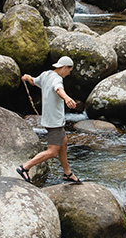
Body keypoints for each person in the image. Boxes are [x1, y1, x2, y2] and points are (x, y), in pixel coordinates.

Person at [17, 56, 81, 184]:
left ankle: (67, 173)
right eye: (69, 71)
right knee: (52, 152)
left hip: (49, 119)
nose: (68, 74)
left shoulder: (45, 75)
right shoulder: (57, 79)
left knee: (64, 142)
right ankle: (24, 168)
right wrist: (67, 98)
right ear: (64, 67)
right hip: (54, 122)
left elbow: (33, 81)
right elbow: (58, 89)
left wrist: (26, 77)